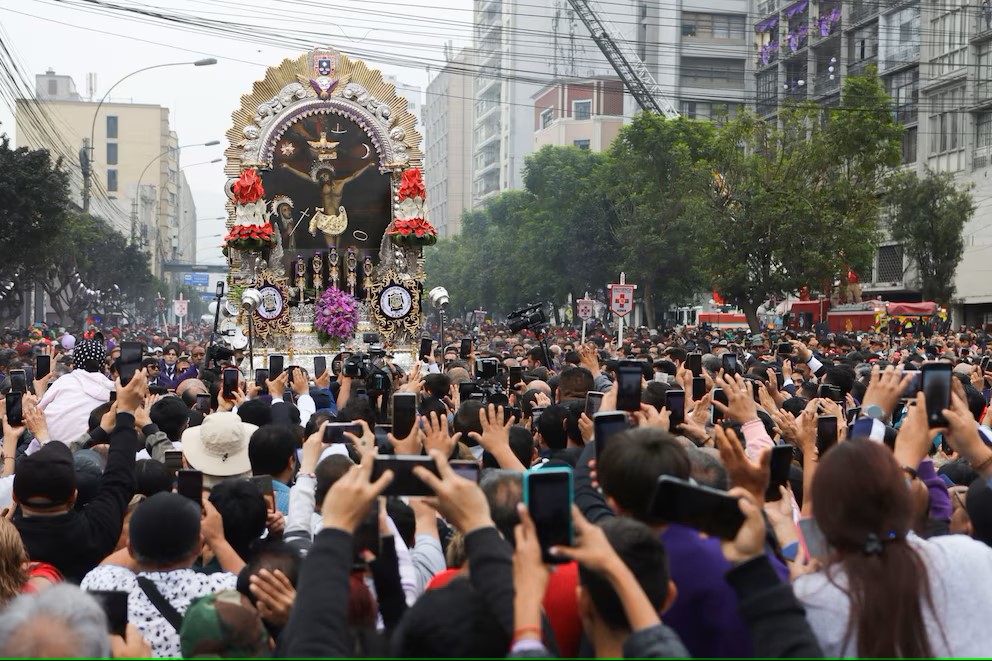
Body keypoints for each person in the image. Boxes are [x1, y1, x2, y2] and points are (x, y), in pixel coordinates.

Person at [14, 371, 145, 583]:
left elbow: (118, 480)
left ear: (15, 496)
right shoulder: (94, 532)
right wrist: (126, 413)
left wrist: (103, 428)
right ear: (74, 496)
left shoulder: (7, 540)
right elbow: (118, 478)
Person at [80, 491, 245, 658]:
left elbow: (110, 566)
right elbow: (250, 584)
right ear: (198, 546)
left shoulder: (104, 587)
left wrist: (148, 538)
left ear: (130, 549)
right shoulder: (220, 592)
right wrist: (217, 538)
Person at [37, 337, 113, 443]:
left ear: (75, 362)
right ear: (103, 365)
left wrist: (40, 390)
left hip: (51, 449)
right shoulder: (114, 390)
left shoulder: (64, 381)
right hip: (94, 453)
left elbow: (37, 415)